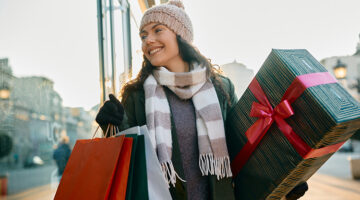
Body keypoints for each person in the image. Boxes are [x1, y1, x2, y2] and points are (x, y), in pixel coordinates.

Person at [96, 1, 308, 199]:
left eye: (158, 30)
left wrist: (282, 180)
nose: (148, 40)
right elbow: (128, 159)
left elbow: (241, 147)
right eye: (143, 35)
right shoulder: (137, 95)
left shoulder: (220, 88)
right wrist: (112, 124)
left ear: (181, 36)